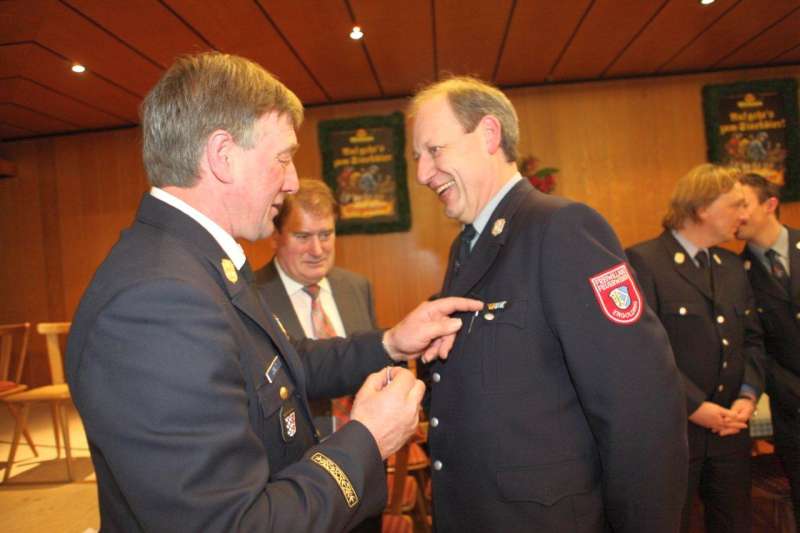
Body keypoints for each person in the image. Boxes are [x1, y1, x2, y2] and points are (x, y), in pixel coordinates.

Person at [65, 52, 481, 532]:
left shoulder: (197, 264)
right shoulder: (157, 302)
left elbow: (283, 364)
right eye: (282, 158)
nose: (291, 181)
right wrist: (367, 439)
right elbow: (232, 524)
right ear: (223, 155)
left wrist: (391, 342)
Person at [410, 76, 687, 532]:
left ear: (489, 134)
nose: (422, 173)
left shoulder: (561, 228)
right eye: (417, 158)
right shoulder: (468, 245)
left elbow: (638, 403)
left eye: (434, 151)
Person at [626, 163, 765, 533]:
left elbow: (752, 340)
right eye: (736, 205)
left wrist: (748, 395)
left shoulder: (731, 265)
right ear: (703, 208)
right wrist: (694, 406)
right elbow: (642, 353)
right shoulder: (644, 262)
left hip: (731, 430)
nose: (744, 215)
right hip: (675, 432)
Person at [255, 178, 377, 435]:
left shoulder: (357, 288)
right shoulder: (253, 297)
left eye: (325, 235)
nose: (317, 250)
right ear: (275, 237)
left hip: (364, 448)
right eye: (303, 236)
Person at [737, 172, 800, 528]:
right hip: (792, 408)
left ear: (770, 204)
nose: (736, 214)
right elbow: (754, 345)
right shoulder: (736, 273)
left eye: (743, 204)